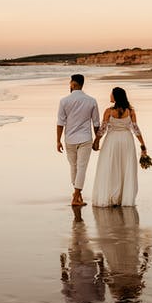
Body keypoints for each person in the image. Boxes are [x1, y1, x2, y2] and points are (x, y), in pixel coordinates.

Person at [90, 87, 147, 208]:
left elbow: (103, 129)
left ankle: (112, 196)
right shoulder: (130, 111)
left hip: (112, 141)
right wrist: (143, 145)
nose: (110, 96)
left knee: (110, 166)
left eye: (111, 94)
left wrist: (96, 141)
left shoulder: (109, 111)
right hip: (127, 141)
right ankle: (123, 197)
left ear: (116, 97)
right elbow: (136, 129)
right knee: (125, 167)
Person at [56, 74, 101, 206]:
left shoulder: (64, 101)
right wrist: (97, 140)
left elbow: (60, 123)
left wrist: (58, 140)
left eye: (70, 83)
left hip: (69, 139)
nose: (69, 85)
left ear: (74, 84)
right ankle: (77, 196)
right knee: (81, 168)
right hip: (85, 138)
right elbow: (96, 122)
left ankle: (76, 195)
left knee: (74, 167)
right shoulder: (91, 100)